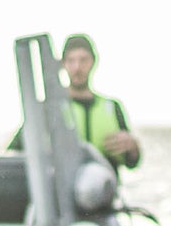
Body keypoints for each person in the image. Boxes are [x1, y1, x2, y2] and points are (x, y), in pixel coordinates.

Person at [11, 31, 141, 167]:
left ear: (93, 61)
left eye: (83, 60)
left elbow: (132, 162)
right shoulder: (48, 108)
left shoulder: (112, 107)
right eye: (71, 60)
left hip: (106, 185)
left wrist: (133, 148)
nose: (77, 67)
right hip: (62, 185)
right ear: (62, 64)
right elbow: (13, 152)